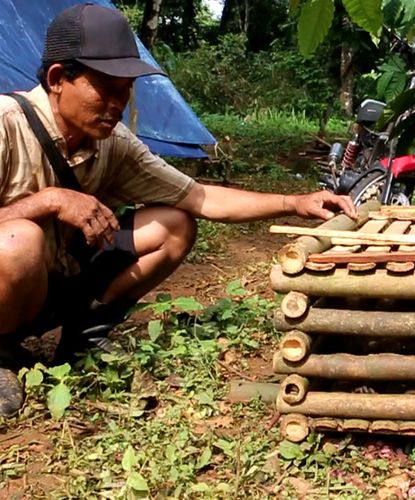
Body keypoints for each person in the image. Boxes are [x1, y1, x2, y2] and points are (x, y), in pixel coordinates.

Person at [0, 3, 355, 416]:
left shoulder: (113, 144)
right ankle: (2, 354)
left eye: (125, 89)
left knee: (174, 224)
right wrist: (49, 200)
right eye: (105, 87)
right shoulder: (7, 125)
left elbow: (198, 197)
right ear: (59, 79)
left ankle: (83, 339)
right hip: (12, 280)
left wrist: (294, 202)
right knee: (18, 239)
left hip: (57, 280)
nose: (119, 103)